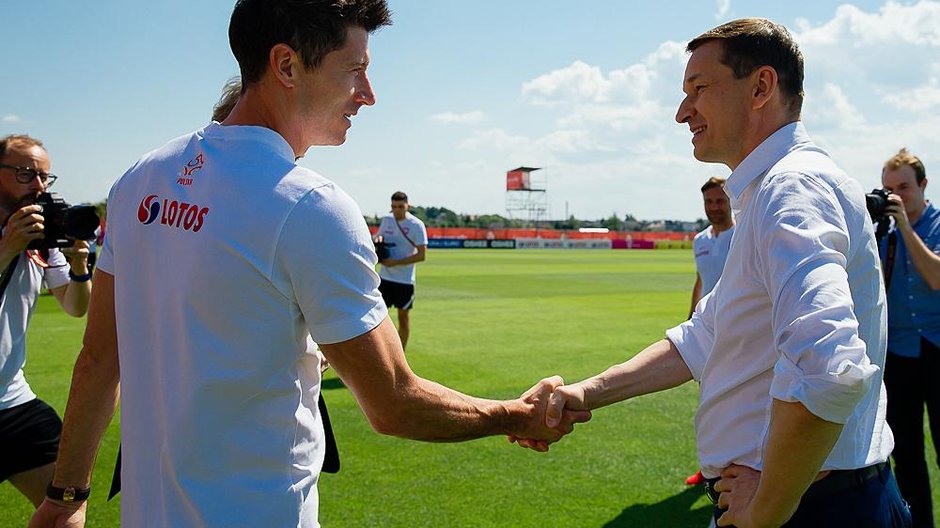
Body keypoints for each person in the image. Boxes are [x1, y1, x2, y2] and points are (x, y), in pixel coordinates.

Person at [29, 2, 588, 527]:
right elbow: (394, 402)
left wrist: (66, 495)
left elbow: (100, 358)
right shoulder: (310, 207)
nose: (367, 94)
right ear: (287, 65)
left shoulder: (141, 177)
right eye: (355, 70)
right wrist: (513, 414)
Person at [514, 18, 910, 527]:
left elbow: (829, 368)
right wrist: (584, 393)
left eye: (699, 89)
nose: (683, 112)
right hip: (810, 501)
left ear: (761, 87)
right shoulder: (773, 189)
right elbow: (701, 337)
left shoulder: (791, 189)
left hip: (812, 509)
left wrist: (767, 508)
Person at [0, 134, 92, 507]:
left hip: (13, 402)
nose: (38, 185)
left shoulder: (43, 237)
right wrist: (7, 248)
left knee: (67, 505)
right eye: (26, 174)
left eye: (44, 176)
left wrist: (79, 269)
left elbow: (74, 306)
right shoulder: (19, 239)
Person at [879, 148, 940, 528]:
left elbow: (936, 277)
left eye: (904, 187)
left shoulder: (935, 223)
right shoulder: (882, 230)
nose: (896, 196)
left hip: (936, 348)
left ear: (924, 185)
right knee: (908, 454)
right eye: (889, 190)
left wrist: (904, 227)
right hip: (898, 354)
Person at [684, 176, 734, 487]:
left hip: (737, 330)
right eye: (709, 202)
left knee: (738, 402)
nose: (714, 207)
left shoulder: (743, 233)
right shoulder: (700, 240)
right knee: (709, 405)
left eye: (720, 201)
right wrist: (689, 319)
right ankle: (710, 467)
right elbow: (700, 280)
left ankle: (741, 468)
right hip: (707, 332)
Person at [376, 191, 427, 350]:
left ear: (408, 206)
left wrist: (395, 263)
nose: (397, 210)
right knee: (376, 318)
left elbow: (421, 255)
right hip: (384, 277)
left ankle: (400, 356)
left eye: (400, 207)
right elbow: (379, 238)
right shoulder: (387, 221)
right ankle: (379, 354)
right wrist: (378, 242)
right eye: (393, 207)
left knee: (403, 318)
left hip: (404, 280)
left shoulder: (416, 225)